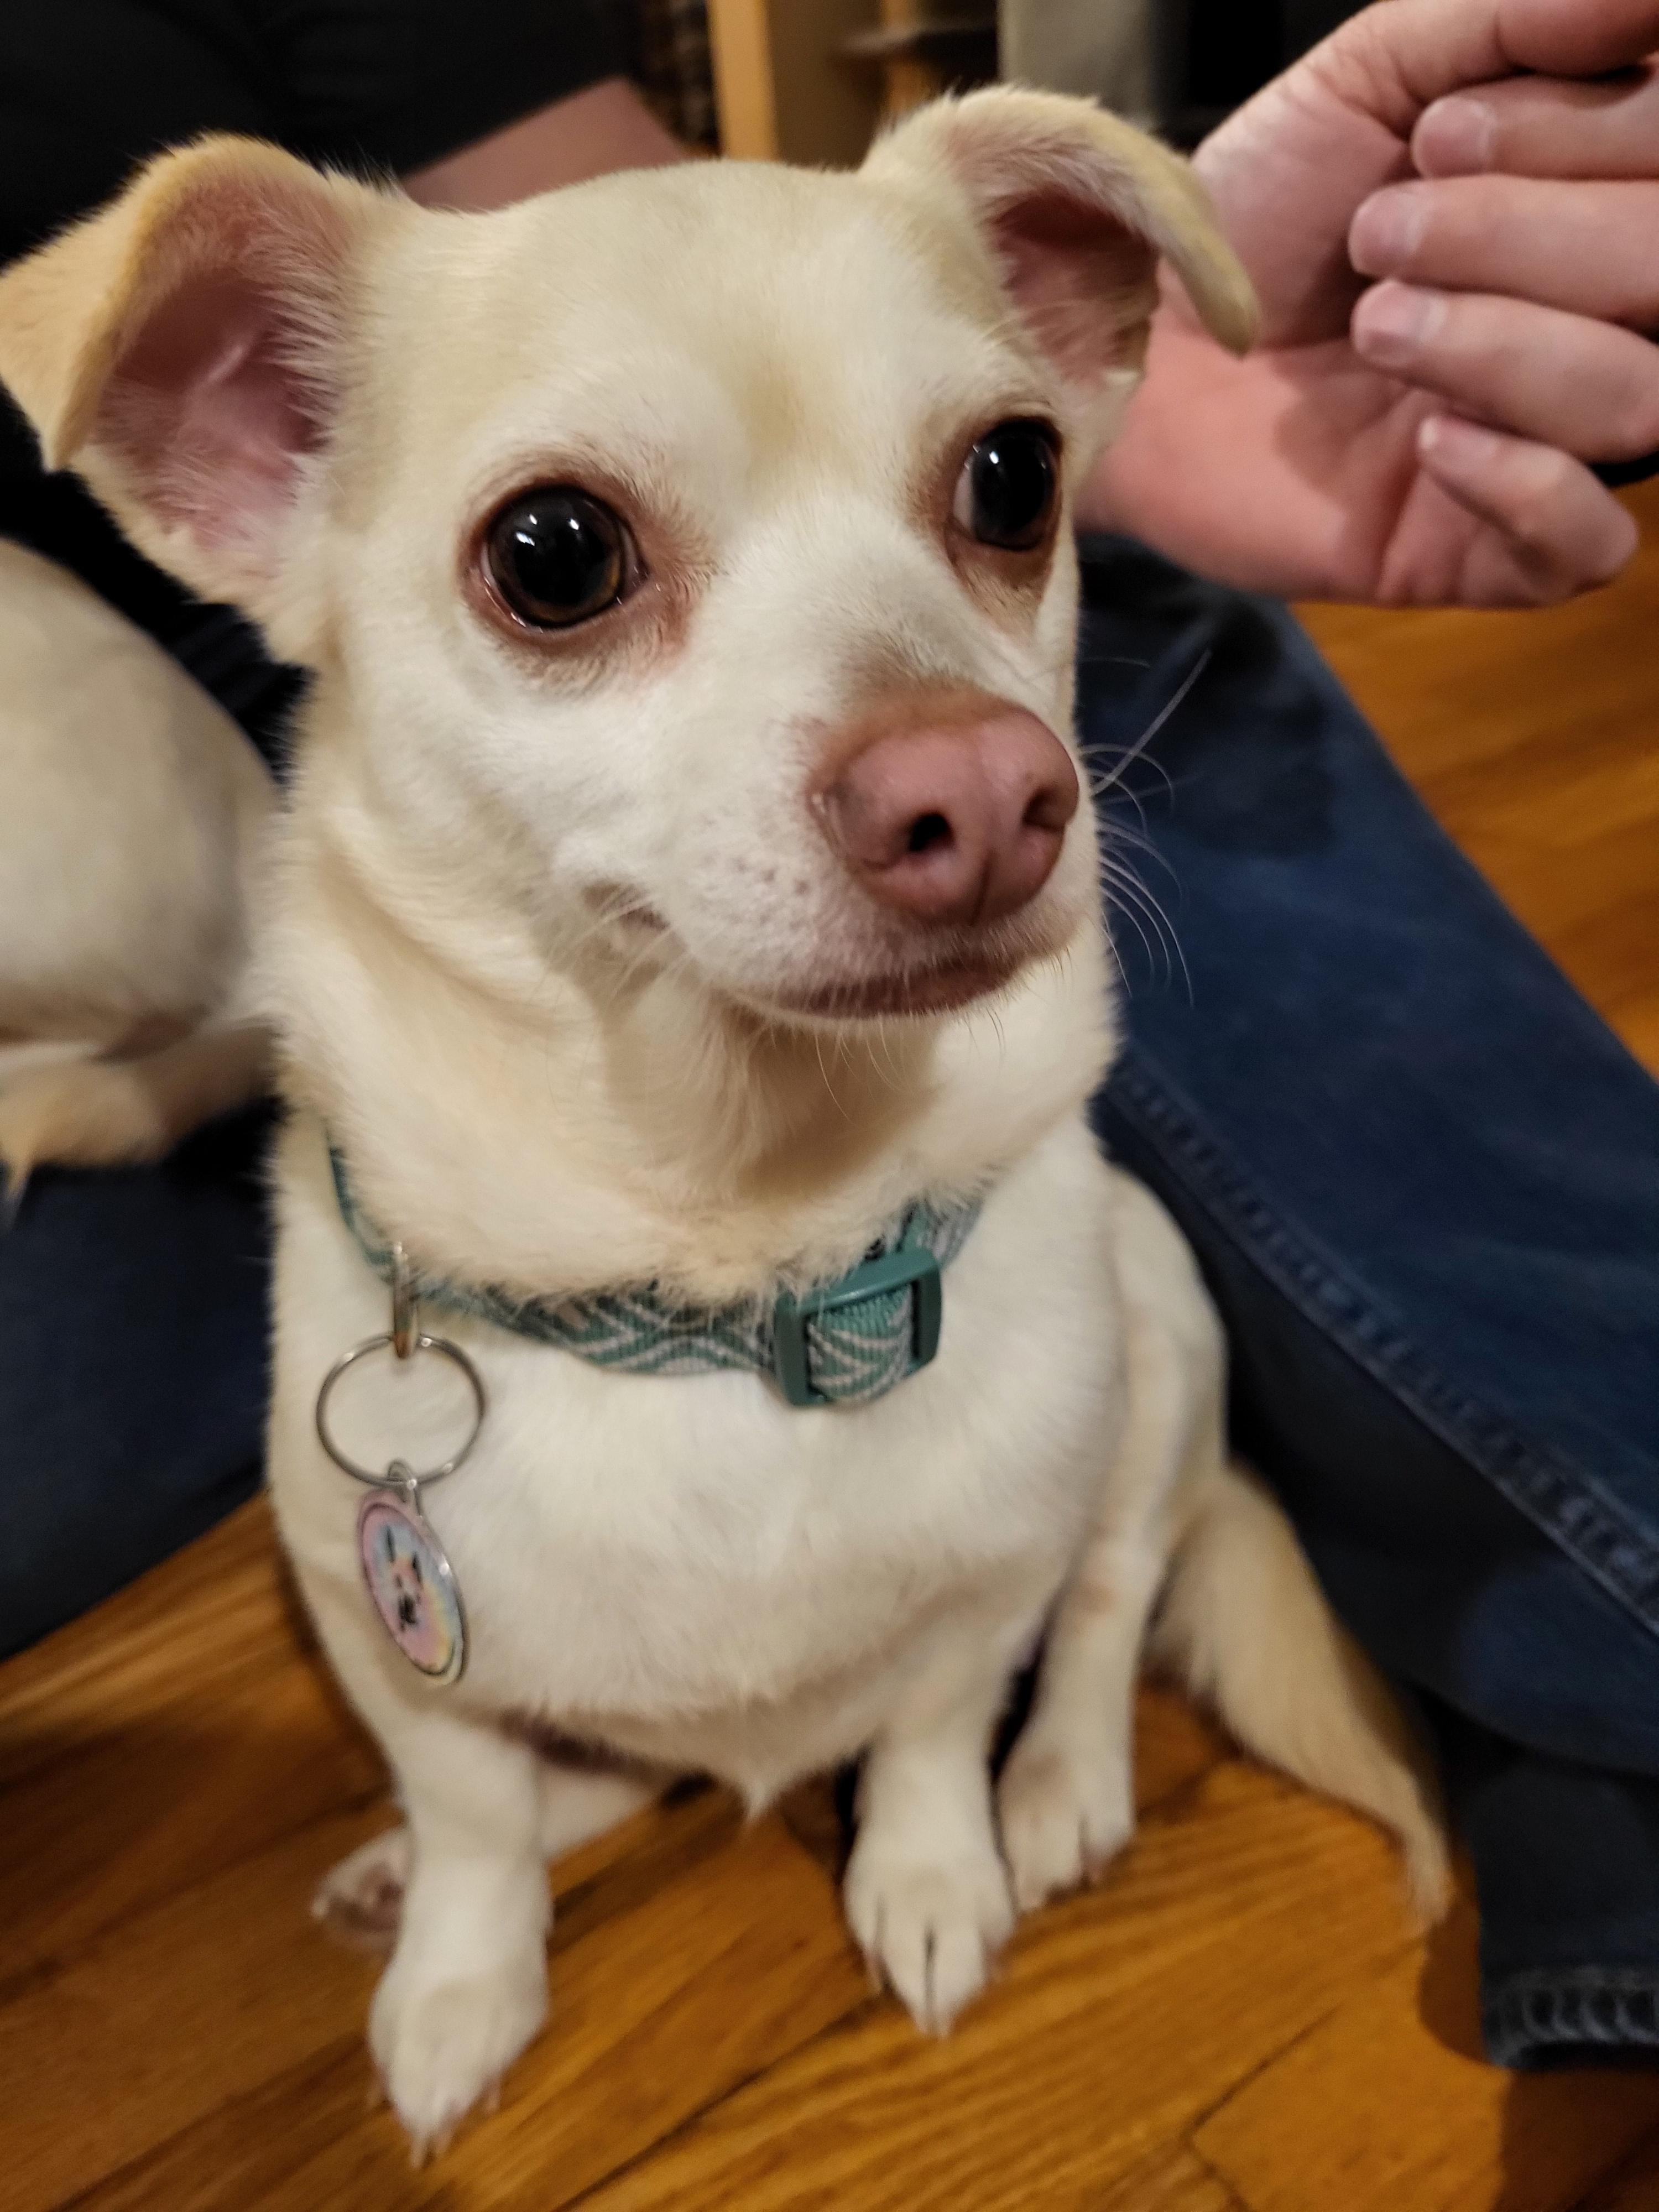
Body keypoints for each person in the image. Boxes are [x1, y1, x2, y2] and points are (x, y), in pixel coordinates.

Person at [1, 0, 1654, 2069]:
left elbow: (678, 258)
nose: (949, 759)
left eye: (998, 482)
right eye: (567, 561)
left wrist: (952, 1758)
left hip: (954, 1254)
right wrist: (480, 1860)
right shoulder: (292, 399)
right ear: (236, 463)